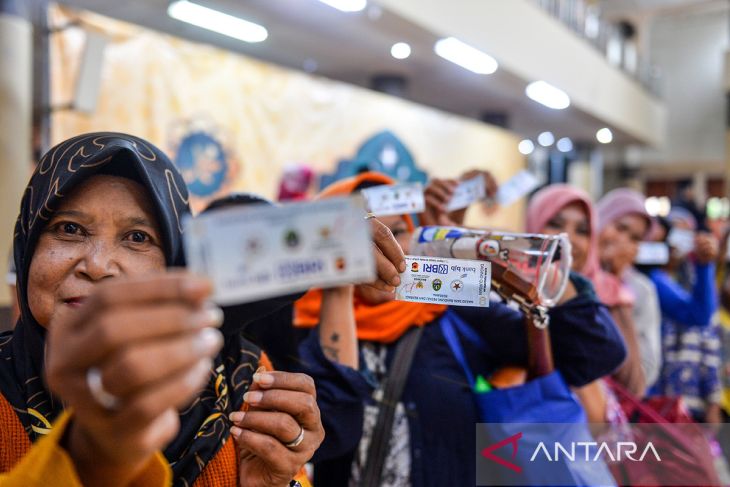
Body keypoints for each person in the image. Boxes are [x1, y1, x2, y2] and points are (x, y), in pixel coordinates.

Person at [0, 133, 326, 486]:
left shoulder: (240, 379)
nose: (97, 265)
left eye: (137, 237)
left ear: (174, 263)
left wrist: (276, 482)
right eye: (70, 229)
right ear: (28, 243)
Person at [294, 172, 627, 487]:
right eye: (362, 236)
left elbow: (593, 352)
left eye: (398, 231)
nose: (386, 248)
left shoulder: (451, 314)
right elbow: (328, 436)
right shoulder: (297, 326)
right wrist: (338, 290)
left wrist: (513, 256)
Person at [527, 184, 659, 424]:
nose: (566, 238)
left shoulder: (628, 292)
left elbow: (633, 383)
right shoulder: (511, 290)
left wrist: (615, 292)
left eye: (583, 230)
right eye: (555, 224)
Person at [644, 208, 721, 423]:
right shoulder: (647, 277)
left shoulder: (681, 277)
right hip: (650, 393)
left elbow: (703, 320)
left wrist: (704, 266)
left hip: (684, 398)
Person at [596, 188, 656, 398]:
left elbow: (642, 374)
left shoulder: (640, 289)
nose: (624, 241)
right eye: (620, 228)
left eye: (635, 238)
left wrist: (614, 285)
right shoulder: (566, 278)